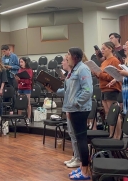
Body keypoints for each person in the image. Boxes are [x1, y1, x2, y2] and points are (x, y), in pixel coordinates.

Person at [48, 48, 92, 180]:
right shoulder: (73, 70)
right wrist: (53, 90)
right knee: (79, 140)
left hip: (80, 109)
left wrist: (76, 104)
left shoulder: (83, 69)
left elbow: (88, 91)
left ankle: (85, 172)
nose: (66, 58)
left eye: (68, 56)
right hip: (73, 109)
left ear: (75, 57)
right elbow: (67, 91)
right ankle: (81, 167)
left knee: (82, 140)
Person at [94, 41, 122, 139]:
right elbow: (102, 75)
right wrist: (96, 73)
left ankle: (117, 136)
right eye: (101, 49)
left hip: (111, 88)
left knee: (114, 113)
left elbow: (113, 76)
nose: (102, 51)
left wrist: (100, 74)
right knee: (108, 113)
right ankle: (111, 134)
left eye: (104, 49)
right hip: (103, 88)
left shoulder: (114, 60)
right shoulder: (104, 61)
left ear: (110, 49)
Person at [15, 57, 33, 125]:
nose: (20, 63)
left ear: (25, 62)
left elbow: (29, 80)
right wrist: (17, 79)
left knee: (28, 103)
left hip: (27, 88)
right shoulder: (19, 70)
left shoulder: (29, 70)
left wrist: (21, 80)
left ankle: (28, 118)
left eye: (22, 62)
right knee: (20, 103)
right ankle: (19, 117)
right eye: (20, 62)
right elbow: (18, 81)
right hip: (20, 88)